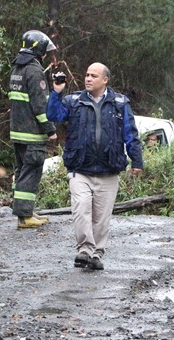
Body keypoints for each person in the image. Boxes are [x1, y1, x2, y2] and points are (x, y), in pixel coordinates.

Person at [46, 62, 143, 270]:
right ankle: (85, 250)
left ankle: (97, 254)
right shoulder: (74, 101)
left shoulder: (119, 103)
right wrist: (56, 92)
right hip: (80, 169)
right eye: (87, 75)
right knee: (81, 210)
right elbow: (54, 116)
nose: (88, 79)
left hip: (109, 170)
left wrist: (137, 160)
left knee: (101, 217)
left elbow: (131, 134)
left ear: (105, 80)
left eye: (94, 76)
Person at [9, 30, 58, 229]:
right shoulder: (34, 70)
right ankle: (25, 217)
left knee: (22, 171)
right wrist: (50, 129)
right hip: (32, 134)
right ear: (38, 49)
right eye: (45, 51)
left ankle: (25, 211)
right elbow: (40, 105)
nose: (45, 55)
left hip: (17, 132)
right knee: (31, 172)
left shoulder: (16, 69)